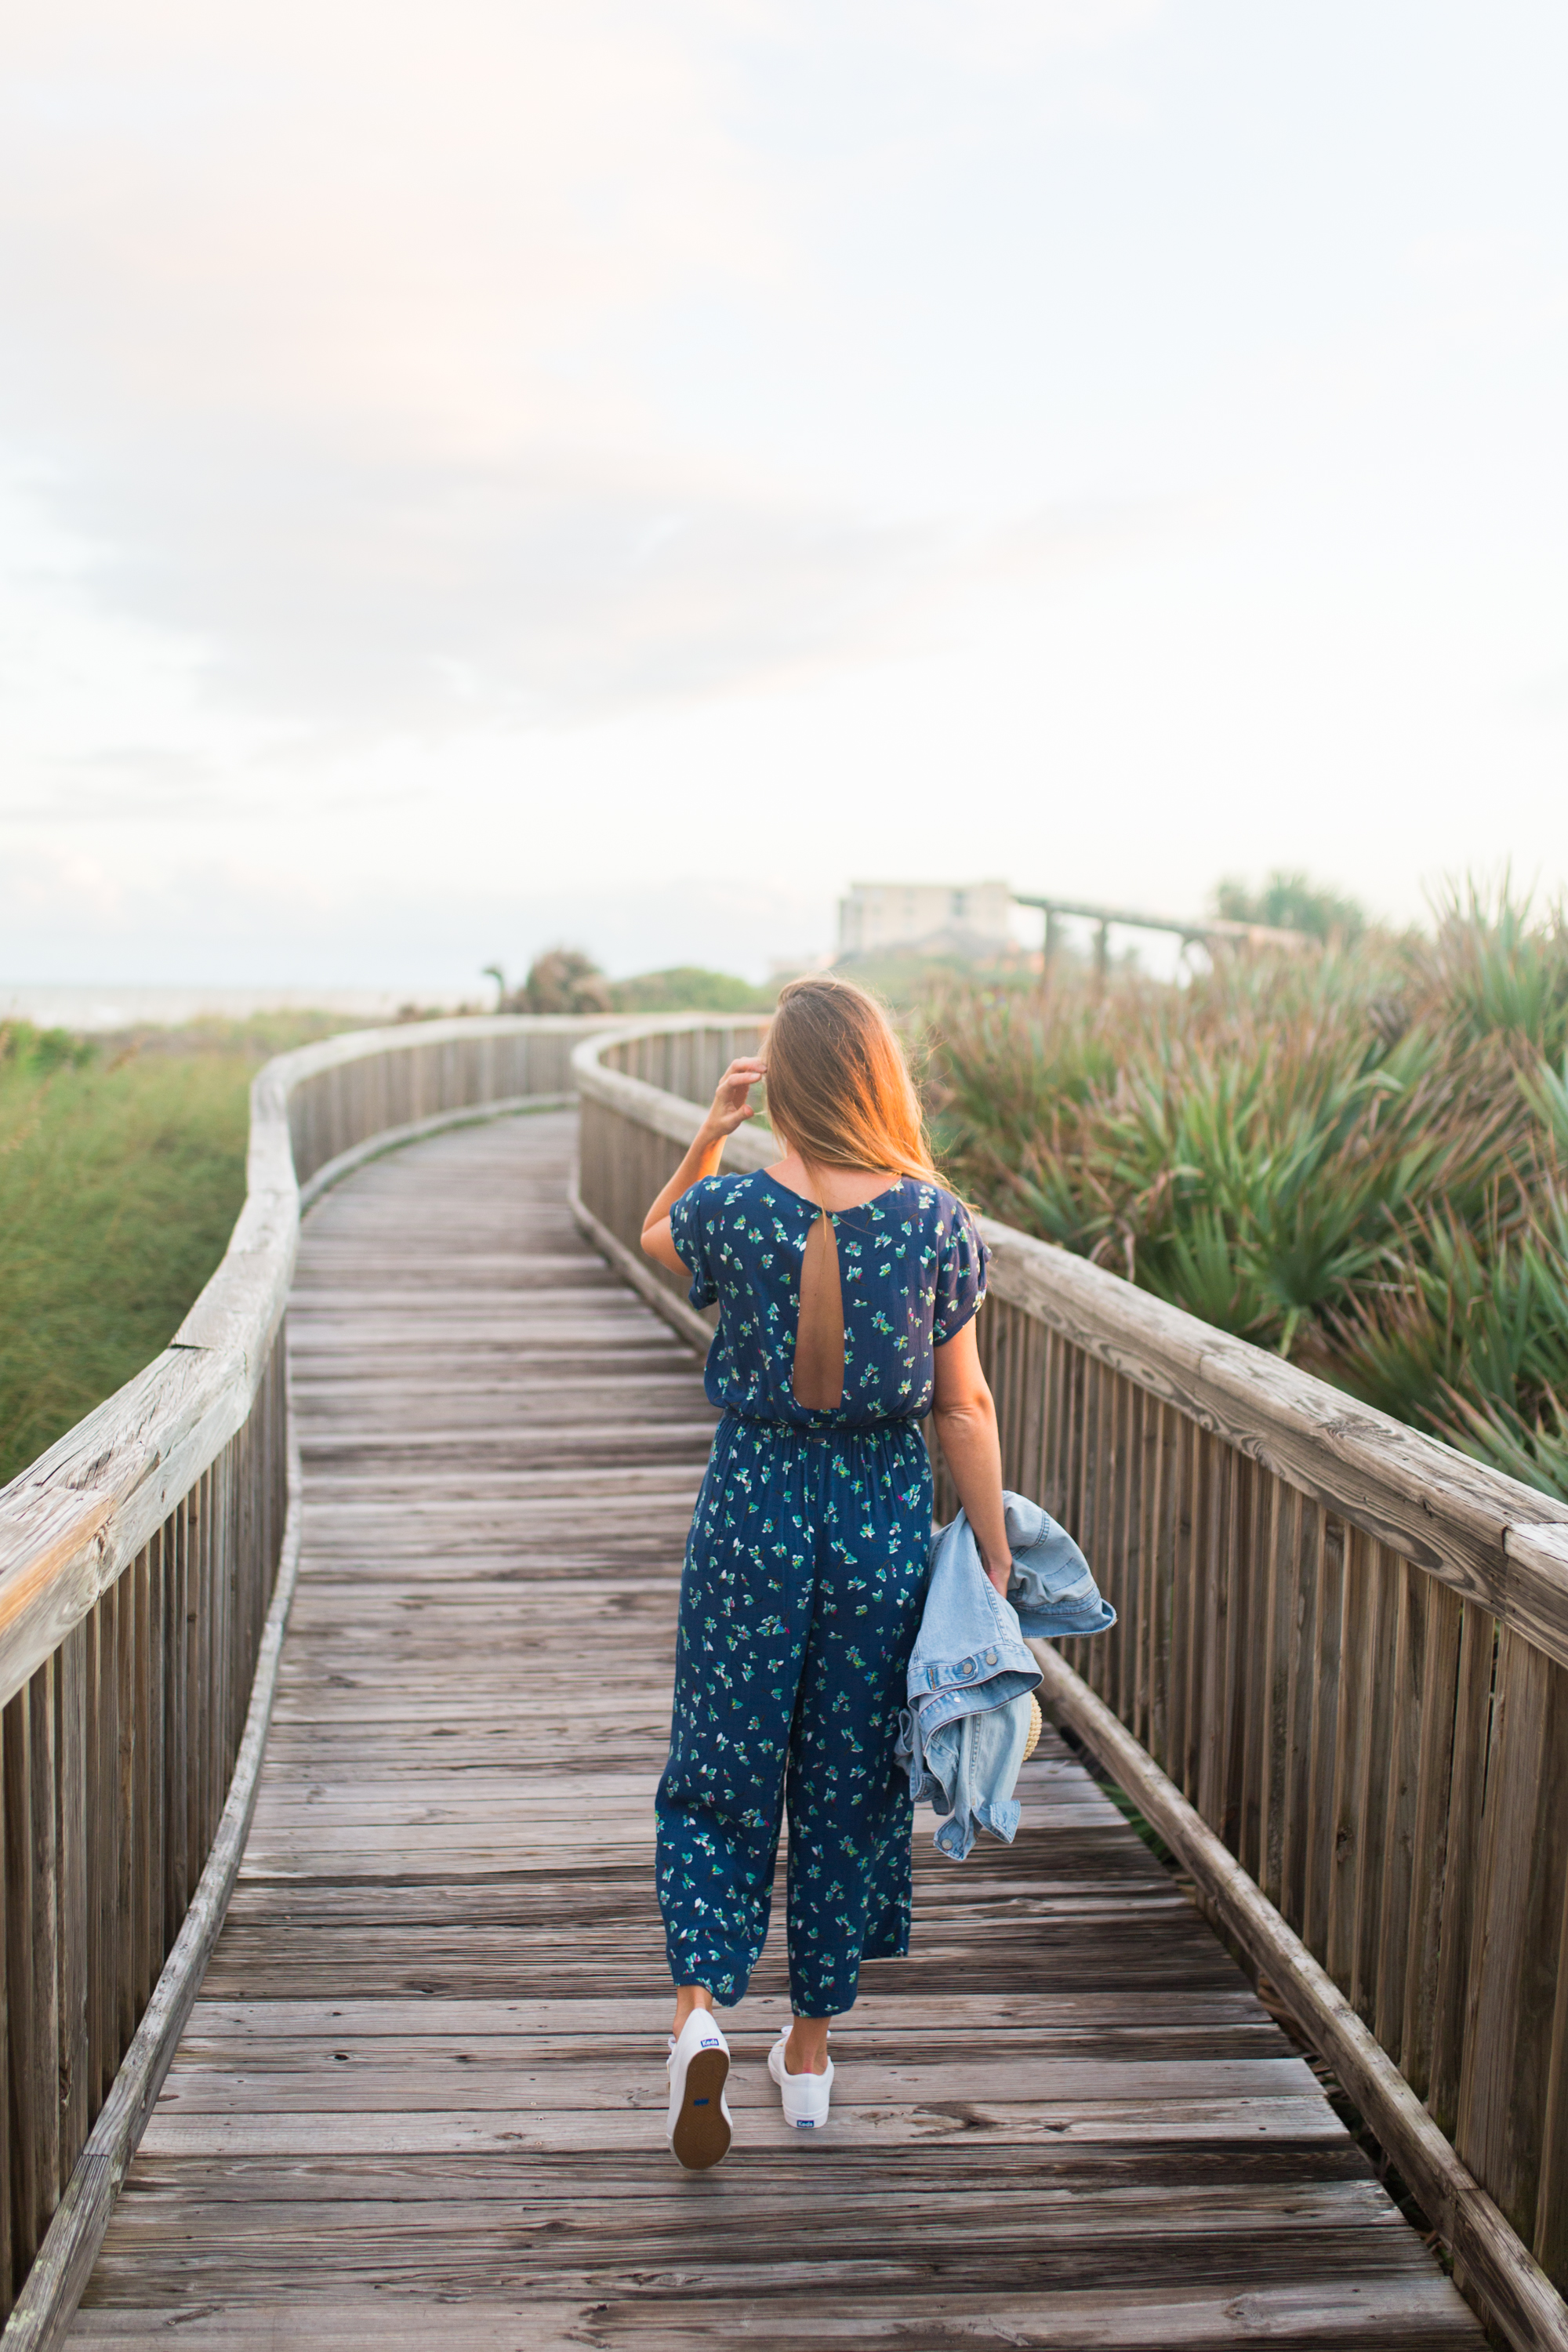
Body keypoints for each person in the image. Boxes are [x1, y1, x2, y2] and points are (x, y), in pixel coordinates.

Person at [640, 975, 1013, 2170]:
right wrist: (993, 1563)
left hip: (751, 1512)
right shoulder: (932, 1222)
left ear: (782, 1086)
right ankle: (805, 2057)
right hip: (878, 1527)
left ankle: (701, 2010)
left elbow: (658, 1234)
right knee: (850, 1784)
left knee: (721, 1768)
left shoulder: (738, 1210)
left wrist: (709, 1129)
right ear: (877, 1079)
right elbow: (964, 1406)